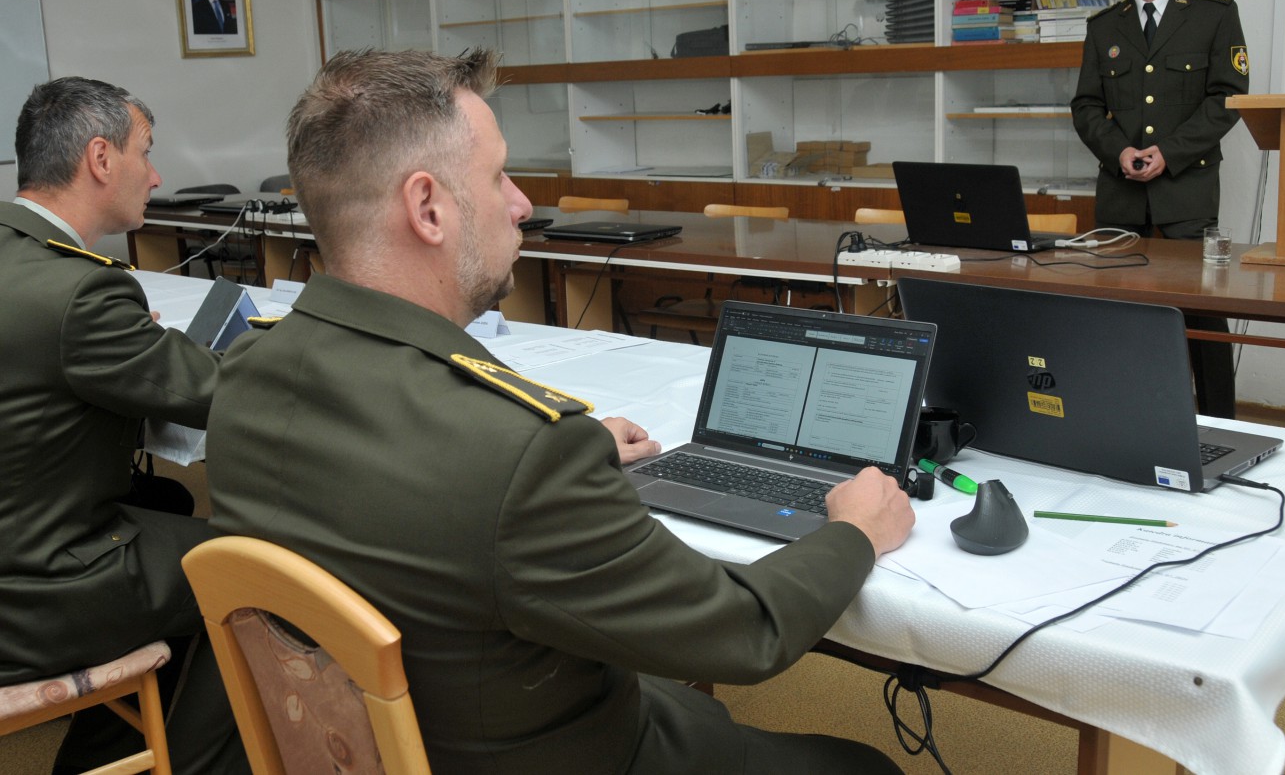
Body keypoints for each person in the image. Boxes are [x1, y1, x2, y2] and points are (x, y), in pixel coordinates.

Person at [206, 48, 912, 774]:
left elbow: (413, 483)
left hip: (394, 739)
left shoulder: (248, 372)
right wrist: (854, 531)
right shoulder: (519, 450)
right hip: (565, 752)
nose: (520, 205)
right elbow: (744, 634)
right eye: (498, 177)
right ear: (427, 208)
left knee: (687, 705)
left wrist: (555, 460)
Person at [0, 77, 246, 773]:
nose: (157, 175)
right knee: (247, 567)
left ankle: (112, 750)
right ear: (101, 159)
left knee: (164, 500)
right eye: (147, 151)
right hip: (33, 588)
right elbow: (223, 393)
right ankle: (186, 761)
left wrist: (122, 345)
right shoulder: (80, 290)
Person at [1071, 0, 1249, 417]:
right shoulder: (1105, 26)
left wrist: (1168, 153)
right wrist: (1119, 151)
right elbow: (1085, 106)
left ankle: (1220, 424)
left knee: (1203, 320)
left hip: (1186, 196)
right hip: (1121, 198)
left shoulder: (1214, 15)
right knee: (1117, 320)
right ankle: (1122, 418)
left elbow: (1228, 99)